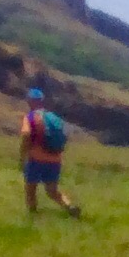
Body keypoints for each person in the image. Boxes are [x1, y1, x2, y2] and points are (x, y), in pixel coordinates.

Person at [18, 87, 82, 219]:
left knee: (31, 189)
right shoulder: (53, 117)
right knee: (52, 191)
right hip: (55, 159)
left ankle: (33, 216)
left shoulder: (30, 117)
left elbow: (26, 135)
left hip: (36, 159)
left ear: (30, 101)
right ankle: (69, 206)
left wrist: (22, 157)